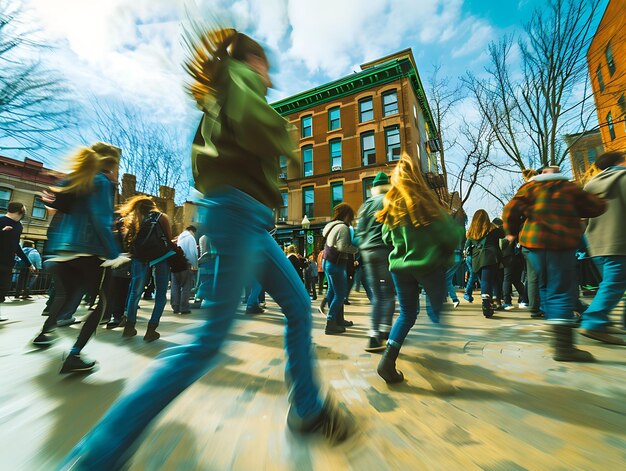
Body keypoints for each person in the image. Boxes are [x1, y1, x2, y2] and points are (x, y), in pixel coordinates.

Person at [59, 27, 350, 471]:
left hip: (250, 219)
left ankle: (308, 408)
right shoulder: (239, 81)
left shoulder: (222, 100)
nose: (269, 78)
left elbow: (206, 165)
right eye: (266, 68)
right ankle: (98, 453)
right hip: (237, 213)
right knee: (207, 343)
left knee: (297, 305)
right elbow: (260, 126)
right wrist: (285, 146)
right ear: (252, 62)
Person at [31, 143, 128, 374]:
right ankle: (74, 355)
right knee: (100, 304)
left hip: (63, 250)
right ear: (112, 163)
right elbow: (101, 219)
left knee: (68, 295)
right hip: (88, 250)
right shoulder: (102, 182)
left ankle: (44, 334)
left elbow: (57, 205)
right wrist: (114, 253)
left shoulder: (77, 178)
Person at [503, 165, 606, 362]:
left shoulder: (529, 188)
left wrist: (511, 232)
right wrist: (601, 199)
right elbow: (594, 207)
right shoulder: (567, 187)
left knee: (546, 286)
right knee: (561, 289)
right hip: (559, 242)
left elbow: (510, 210)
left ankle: (556, 326)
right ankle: (563, 347)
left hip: (532, 244)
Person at [375, 155, 462, 383]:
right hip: (428, 266)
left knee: (406, 314)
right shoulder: (426, 202)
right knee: (436, 311)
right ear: (417, 177)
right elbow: (450, 234)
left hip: (399, 268)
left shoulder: (390, 205)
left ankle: (387, 361)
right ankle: (436, 363)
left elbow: (385, 238)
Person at [579, 151, 626, 344]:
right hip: (620, 241)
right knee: (613, 284)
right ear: (620, 161)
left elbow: (583, 218)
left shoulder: (590, 185)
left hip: (598, 244)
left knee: (612, 282)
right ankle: (593, 321)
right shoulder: (623, 178)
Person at [119, 195, 173, 341]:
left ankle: (129, 327)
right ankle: (151, 330)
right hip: (160, 257)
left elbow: (128, 241)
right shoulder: (161, 217)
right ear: (152, 206)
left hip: (139, 258)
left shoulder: (133, 220)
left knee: (134, 293)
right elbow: (168, 238)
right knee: (161, 294)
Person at [356, 171, 395, 352]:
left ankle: (372, 335)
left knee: (376, 295)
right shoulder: (388, 202)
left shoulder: (366, 205)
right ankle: (385, 331)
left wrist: (364, 244)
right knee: (388, 293)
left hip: (367, 252)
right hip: (384, 250)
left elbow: (359, 231)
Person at [321, 203, 358, 334]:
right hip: (336, 264)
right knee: (340, 294)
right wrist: (357, 249)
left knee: (332, 292)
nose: (352, 219)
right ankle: (330, 323)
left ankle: (338, 320)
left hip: (327, 262)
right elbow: (343, 247)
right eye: (351, 216)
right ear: (346, 215)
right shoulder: (343, 227)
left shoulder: (332, 226)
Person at [465, 210, 505, 318]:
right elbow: (503, 234)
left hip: (476, 260)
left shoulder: (471, 232)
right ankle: (487, 304)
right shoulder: (493, 229)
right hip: (491, 257)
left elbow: (466, 247)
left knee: (484, 281)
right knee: (489, 281)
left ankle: (488, 301)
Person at [0, 202, 35, 321]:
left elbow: (17, 247)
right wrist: (2, 232)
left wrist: (29, 263)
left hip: (8, 263)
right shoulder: (0, 220)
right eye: (24, 209)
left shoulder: (19, 226)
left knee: (3, 289)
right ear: (20, 210)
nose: (25, 212)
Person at [171, 225, 198, 314]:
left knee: (175, 286)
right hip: (186, 265)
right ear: (192, 231)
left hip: (176, 265)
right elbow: (193, 252)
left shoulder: (180, 237)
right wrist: (194, 266)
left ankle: (175, 306)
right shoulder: (190, 238)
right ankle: (184, 307)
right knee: (186, 286)